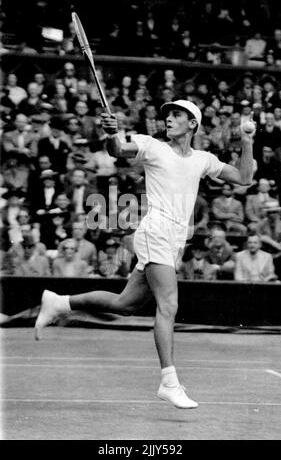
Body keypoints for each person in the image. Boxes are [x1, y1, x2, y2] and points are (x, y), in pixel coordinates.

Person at [35, 99, 255, 409]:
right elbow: (117, 150)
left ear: (192, 123)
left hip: (174, 239)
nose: (169, 119)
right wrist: (111, 133)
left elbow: (244, 178)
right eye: (168, 115)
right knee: (168, 304)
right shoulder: (152, 146)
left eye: (177, 115)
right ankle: (169, 382)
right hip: (155, 232)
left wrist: (247, 141)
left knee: (125, 304)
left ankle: (58, 302)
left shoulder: (203, 159)